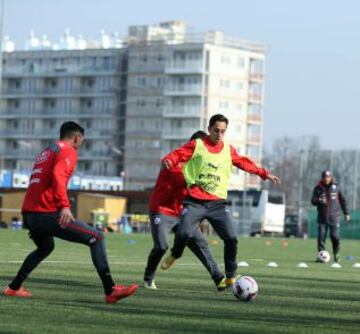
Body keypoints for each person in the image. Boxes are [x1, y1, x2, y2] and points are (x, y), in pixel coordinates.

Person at [3, 121, 137, 304]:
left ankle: (13, 287)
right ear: (77, 137)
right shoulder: (68, 151)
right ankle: (111, 289)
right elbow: (58, 176)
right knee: (96, 237)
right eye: (81, 140)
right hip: (46, 213)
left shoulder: (46, 152)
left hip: (30, 214)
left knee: (45, 247)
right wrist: (64, 205)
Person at [161, 114, 280, 287]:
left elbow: (244, 163)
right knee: (183, 232)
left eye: (223, 131)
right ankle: (175, 254)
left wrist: (264, 173)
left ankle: (231, 274)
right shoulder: (197, 145)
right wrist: (170, 160)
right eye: (216, 130)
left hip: (217, 204)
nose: (219, 134)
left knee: (231, 239)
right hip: (195, 201)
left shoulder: (228, 150)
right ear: (209, 129)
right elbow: (179, 153)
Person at [144, 130, 226, 290]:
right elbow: (169, 163)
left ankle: (219, 278)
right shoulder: (178, 161)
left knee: (201, 243)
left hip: (184, 213)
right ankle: (148, 277)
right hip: (162, 210)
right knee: (161, 246)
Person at [311, 170, 350, 263]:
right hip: (322, 218)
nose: (326, 179)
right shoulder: (317, 188)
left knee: (335, 236)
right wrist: (319, 200)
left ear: (331, 177)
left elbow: (343, 201)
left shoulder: (336, 188)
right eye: (325, 177)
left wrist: (347, 213)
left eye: (328, 177)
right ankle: (321, 256)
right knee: (321, 238)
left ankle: (336, 253)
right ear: (322, 178)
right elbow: (313, 201)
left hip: (335, 217)